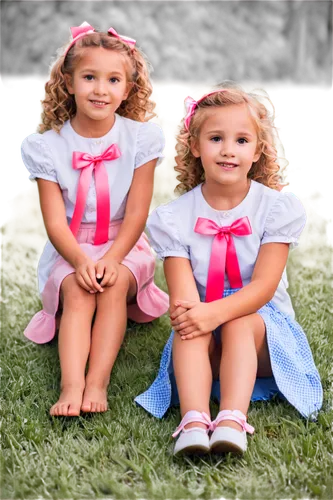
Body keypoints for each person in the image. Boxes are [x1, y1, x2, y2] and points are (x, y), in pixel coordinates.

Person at [134, 85, 323, 456]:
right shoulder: (173, 219)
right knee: (187, 325)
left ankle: (233, 421)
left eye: (241, 140)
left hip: (263, 332)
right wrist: (200, 315)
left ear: (257, 150)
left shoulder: (274, 209)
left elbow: (265, 286)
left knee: (238, 321)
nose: (227, 150)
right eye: (216, 138)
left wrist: (216, 312)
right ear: (195, 146)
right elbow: (185, 300)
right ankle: (193, 420)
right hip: (205, 335)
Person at [18, 21, 169, 417]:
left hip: (124, 242)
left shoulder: (141, 139)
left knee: (113, 285)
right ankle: (71, 385)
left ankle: (97, 383)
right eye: (89, 77)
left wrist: (113, 258)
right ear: (68, 83)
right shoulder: (48, 148)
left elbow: (137, 212)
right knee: (80, 292)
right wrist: (82, 261)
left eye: (113, 79)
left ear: (127, 88)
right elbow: (53, 222)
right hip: (72, 244)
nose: (100, 89)